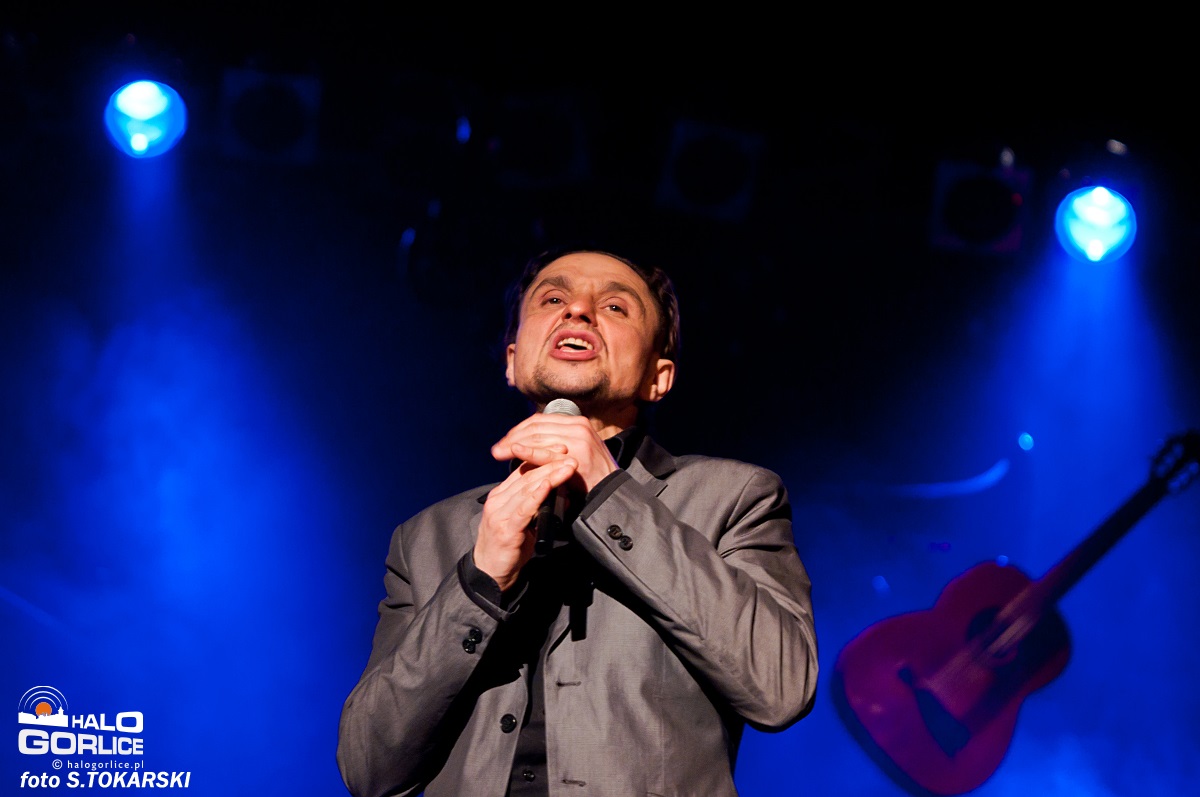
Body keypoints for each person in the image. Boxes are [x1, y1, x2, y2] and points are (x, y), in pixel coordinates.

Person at [337, 247, 819, 797]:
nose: (578, 311)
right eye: (552, 299)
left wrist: (608, 493)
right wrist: (478, 581)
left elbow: (782, 688)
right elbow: (369, 769)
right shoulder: (425, 538)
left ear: (658, 377)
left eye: (615, 307)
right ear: (513, 360)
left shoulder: (733, 497)